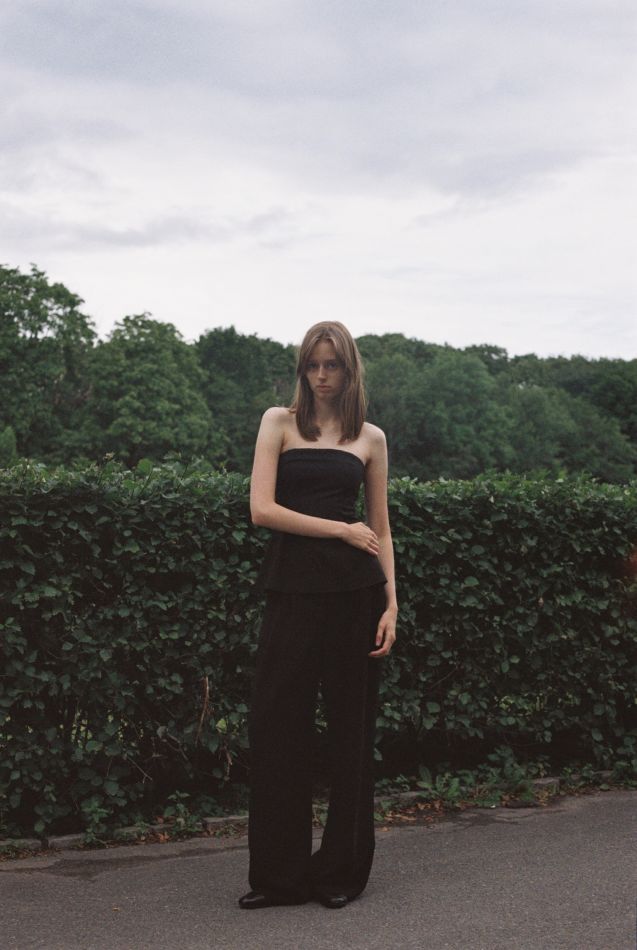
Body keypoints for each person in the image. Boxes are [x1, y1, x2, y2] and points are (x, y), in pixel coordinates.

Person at [239, 320, 397, 911]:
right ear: (302, 369)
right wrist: (339, 529)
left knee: (352, 735)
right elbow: (261, 509)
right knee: (278, 727)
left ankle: (340, 874)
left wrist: (392, 604)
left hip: (357, 595)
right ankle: (279, 878)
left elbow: (381, 530)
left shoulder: (370, 438)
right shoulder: (278, 423)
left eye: (333, 365)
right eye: (313, 365)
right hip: (292, 591)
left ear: (350, 369)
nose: (322, 376)